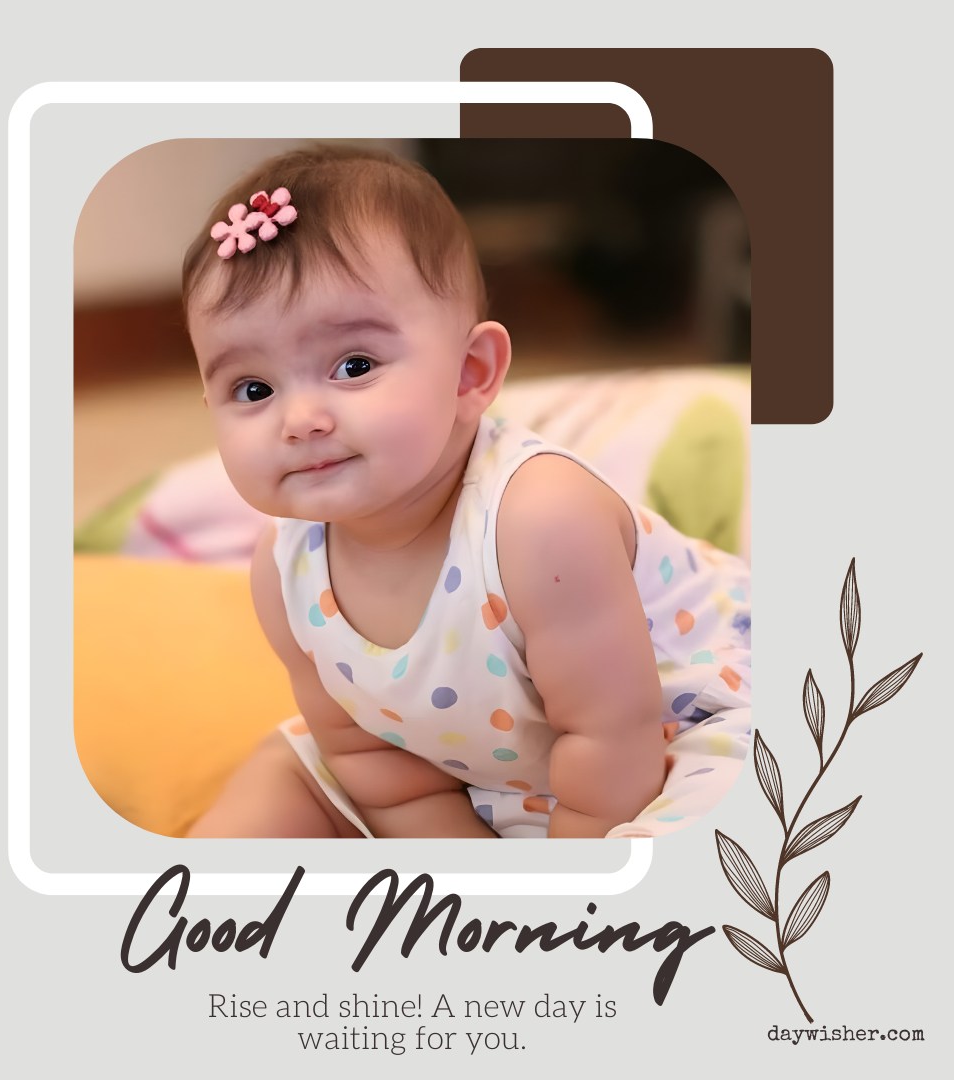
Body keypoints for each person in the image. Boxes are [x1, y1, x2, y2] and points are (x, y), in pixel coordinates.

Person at [182, 144, 750, 839]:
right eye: (253, 389)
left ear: (470, 373)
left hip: (669, 734)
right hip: (488, 766)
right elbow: (364, 753)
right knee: (286, 772)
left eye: (354, 365)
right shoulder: (283, 567)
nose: (300, 421)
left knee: (725, 806)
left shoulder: (539, 519)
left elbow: (615, 749)